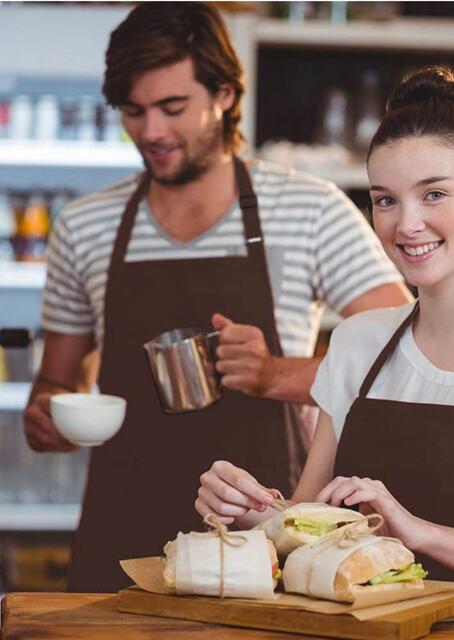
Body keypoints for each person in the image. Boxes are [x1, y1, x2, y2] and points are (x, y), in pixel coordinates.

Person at [23, 2, 411, 592]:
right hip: (121, 533)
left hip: (268, 536)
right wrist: (49, 417)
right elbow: (55, 384)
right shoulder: (85, 226)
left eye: (172, 107)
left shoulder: (309, 210)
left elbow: (402, 360)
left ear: (226, 94)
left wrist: (276, 373)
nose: (150, 132)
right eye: (133, 111)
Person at [196, 66, 454, 597]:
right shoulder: (358, 344)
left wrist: (421, 534)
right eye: (385, 199)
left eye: (434, 194)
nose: (407, 224)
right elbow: (303, 530)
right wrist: (250, 512)